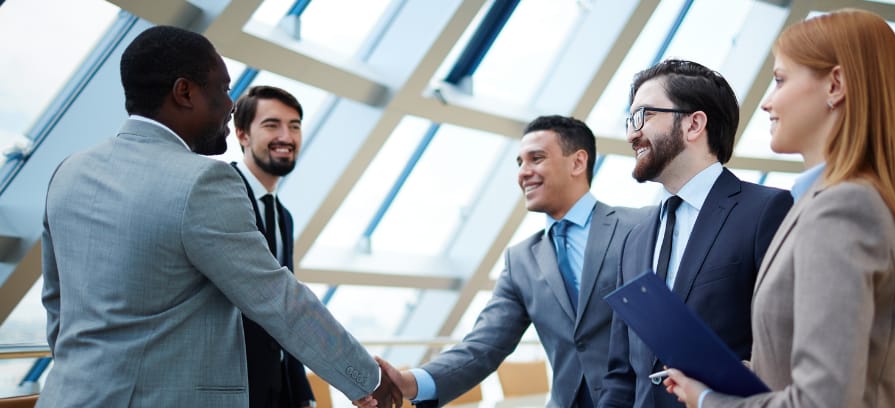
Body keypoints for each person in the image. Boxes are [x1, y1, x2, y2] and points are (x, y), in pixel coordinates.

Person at [39, 25, 399, 407]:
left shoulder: (69, 172)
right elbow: (277, 298)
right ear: (185, 92)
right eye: (222, 88)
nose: (230, 103)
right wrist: (367, 378)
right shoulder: (203, 181)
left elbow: (57, 303)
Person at [660, 9, 895, 407]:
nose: (767, 103)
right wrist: (730, 377)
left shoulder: (843, 208)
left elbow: (821, 401)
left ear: (835, 85)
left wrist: (708, 401)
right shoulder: (829, 203)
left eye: (780, 80)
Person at [369, 115, 650, 408]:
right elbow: (484, 346)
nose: (523, 173)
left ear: (578, 163)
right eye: (519, 163)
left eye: (536, 159)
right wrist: (410, 382)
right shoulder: (521, 261)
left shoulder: (640, 226)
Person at [599, 59, 793, 408]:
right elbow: (621, 372)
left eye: (643, 116)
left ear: (694, 124)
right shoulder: (635, 237)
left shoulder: (767, 211)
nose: (631, 134)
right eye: (631, 120)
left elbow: (789, 345)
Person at [230, 85, 315, 408]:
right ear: (242, 135)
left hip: (277, 390)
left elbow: (285, 310)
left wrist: (301, 394)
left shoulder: (283, 216)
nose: (286, 136)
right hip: (232, 388)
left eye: (294, 126)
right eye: (272, 125)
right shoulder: (219, 196)